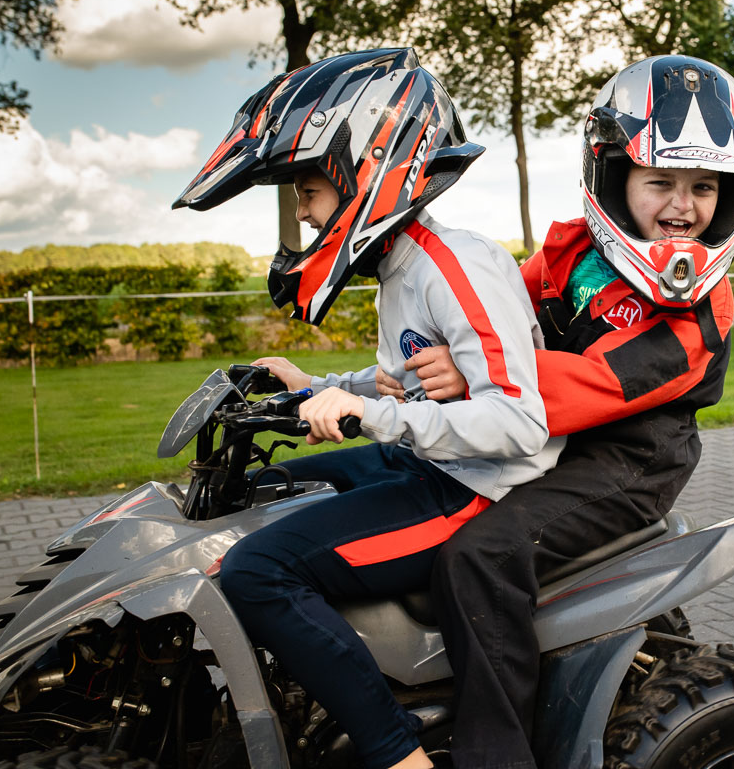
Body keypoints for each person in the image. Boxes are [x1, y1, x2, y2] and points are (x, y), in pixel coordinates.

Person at [172, 48, 562, 769]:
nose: (303, 212)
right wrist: (313, 385)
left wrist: (371, 416)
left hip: (473, 487)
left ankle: (395, 753)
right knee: (269, 493)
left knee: (259, 571)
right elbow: (398, 384)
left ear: (368, 172)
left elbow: (519, 422)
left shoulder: (456, 267)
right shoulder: (401, 270)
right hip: (422, 457)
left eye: (309, 191)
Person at [379, 55, 734, 768]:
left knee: (481, 556)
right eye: (661, 182)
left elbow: (597, 384)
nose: (682, 205)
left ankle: (498, 752)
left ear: (733, 194)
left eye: (704, 186)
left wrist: (470, 379)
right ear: (615, 178)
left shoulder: (702, 310)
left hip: (625, 465)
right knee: (398, 479)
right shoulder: (573, 252)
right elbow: (494, 316)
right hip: (545, 439)